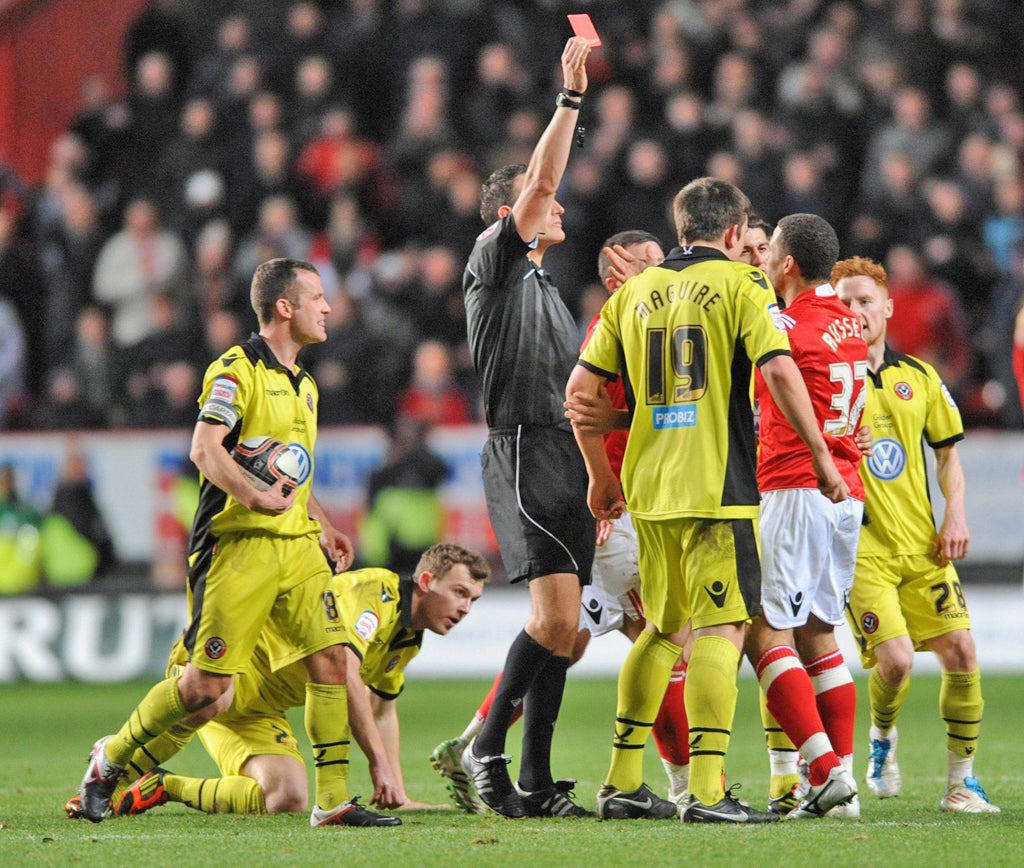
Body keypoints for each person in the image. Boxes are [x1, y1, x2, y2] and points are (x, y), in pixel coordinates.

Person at [75, 258, 400, 830]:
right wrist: (251, 497)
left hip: (296, 547)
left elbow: (293, 474)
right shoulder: (235, 370)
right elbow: (206, 449)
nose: (327, 308)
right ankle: (113, 758)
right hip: (238, 548)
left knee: (330, 659)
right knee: (207, 690)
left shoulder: (306, 385)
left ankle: (331, 802)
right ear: (284, 307)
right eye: (317, 297)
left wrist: (320, 520)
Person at [568, 177, 846, 824]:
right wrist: (822, 454)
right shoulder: (744, 287)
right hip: (718, 488)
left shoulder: (634, 292)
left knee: (665, 630)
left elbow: (580, 392)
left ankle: (622, 781)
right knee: (723, 629)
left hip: (649, 489)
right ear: (731, 233)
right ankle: (709, 790)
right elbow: (778, 369)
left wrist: (600, 477)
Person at [431, 231, 688, 820]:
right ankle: (672, 783)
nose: (664, 271)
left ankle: (509, 761)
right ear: (619, 273)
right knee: (656, 635)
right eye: (648, 263)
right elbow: (589, 411)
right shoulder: (615, 328)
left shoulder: (645, 324)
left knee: (566, 637)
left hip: (619, 499)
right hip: (609, 502)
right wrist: (599, 484)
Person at [66, 544, 489, 819]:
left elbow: (382, 709)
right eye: (459, 593)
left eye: (473, 599)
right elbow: (342, 670)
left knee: (286, 798)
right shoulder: (374, 591)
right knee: (211, 701)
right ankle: (111, 768)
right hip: (223, 672)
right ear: (428, 582)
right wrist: (376, 763)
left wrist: (396, 785)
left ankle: (162, 785)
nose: (466, 608)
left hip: (258, 713)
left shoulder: (408, 640)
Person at [457, 36, 597, 820]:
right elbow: (543, 178)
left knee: (568, 633)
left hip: (563, 452)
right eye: (545, 200)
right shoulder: (495, 261)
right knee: (552, 620)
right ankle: (486, 747)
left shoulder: (544, 285)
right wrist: (569, 99)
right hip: (522, 447)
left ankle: (537, 782)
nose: (562, 204)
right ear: (516, 215)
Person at [833, 255, 1000, 814]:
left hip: (922, 544)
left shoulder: (922, 379)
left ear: (887, 306)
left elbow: (949, 457)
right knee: (898, 661)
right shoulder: (826, 382)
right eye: (845, 302)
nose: (855, 311)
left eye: (864, 301)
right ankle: (882, 739)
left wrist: (956, 515)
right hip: (863, 549)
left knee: (962, 651)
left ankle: (962, 784)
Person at [746, 214, 865, 820]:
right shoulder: (850, 321)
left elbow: (781, 380)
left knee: (763, 630)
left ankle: (822, 772)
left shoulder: (784, 324)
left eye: (770, 255)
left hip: (798, 484)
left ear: (787, 264)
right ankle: (840, 790)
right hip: (848, 490)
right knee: (820, 632)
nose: (762, 262)